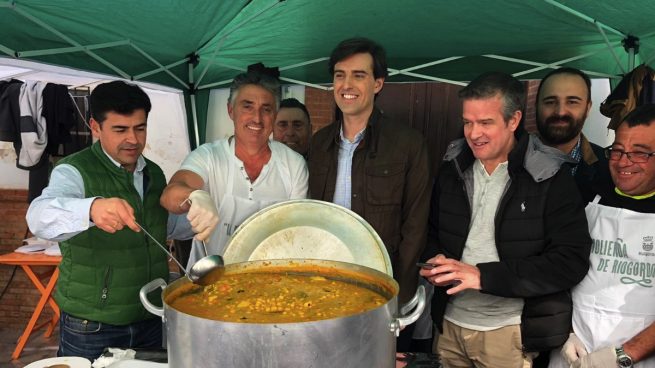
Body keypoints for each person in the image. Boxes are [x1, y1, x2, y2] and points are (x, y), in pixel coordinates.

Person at [420, 72, 592, 367]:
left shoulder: (548, 175)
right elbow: (434, 230)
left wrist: (484, 276)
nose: (474, 133)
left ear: (513, 121)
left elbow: (569, 261)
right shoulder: (453, 166)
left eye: (486, 122)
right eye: (467, 122)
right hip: (449, 324)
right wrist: (434, 260)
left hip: (510, 333)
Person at [26, 81, 169, 360]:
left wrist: (194, 207)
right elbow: (39, 218)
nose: (133, 139)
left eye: (140, 128)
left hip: (151, 315)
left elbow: (164, 227)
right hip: (92, 325)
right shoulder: (74, 171)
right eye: (120, 130)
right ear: (95, 126)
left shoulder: (154, 172)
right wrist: (91, 209)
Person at [307, 37, 432, 351]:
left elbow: (415, 227)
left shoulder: (408, 143)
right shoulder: (319, 144)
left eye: (358, 75)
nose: (346, 84)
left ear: (378, 83)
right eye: (339, 75)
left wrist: (397, 299)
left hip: (381, 291)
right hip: (326, 288)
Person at [160, 68, 308, 266]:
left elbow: (294, 231)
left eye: (266, 109)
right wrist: (194, 196)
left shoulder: (294, 164)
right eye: (247, 107)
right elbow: (170, 195)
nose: (257, 118)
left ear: (274, 115)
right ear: (231, 110)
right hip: (210, 280)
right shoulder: (209, 156)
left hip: (270, 281)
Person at [549, 104, 655, 368]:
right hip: (572, 353)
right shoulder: (585, 193)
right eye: (617, 151)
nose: (623, 162)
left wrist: (622, 356)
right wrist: (560, 331)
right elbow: (551, 265)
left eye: (639, 154)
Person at [536, 67, 612, 202]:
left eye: (572, 102)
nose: (560, 112)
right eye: (550, 102)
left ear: (588, 108)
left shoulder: (610, 169)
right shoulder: (507, 160)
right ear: (536, 106)